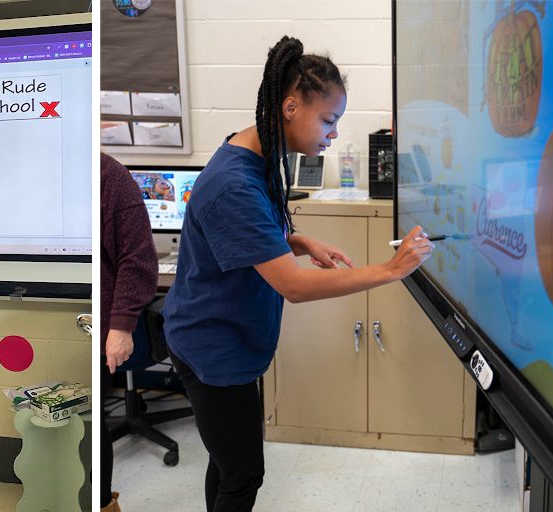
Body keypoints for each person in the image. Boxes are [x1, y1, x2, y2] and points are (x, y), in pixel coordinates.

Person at [162, 36, 434, 512]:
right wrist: (391, 270)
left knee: (227, 464)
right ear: (290, 106)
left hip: (228, 341)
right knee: (244, 475)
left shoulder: (254, 150)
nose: (332, 134)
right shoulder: (234, 182)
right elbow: (294, 286)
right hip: (213, 348)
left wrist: (296, 240)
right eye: (328, 120)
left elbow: (242, 235)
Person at [99, 153, 158, 512]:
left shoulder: (108, 175)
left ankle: (104, 503)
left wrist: (120, 326)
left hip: (94, 324)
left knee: (92, 427)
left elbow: (137, 258)